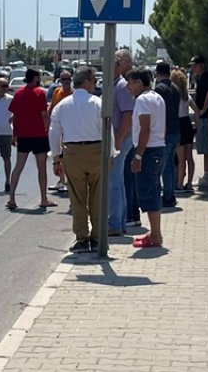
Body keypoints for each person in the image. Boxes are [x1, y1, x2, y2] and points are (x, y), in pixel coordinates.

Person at [49, 67, 105, 253]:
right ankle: (97, 238)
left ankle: (82, 238)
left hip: (72, 152)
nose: (95, 85)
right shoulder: (98, 103)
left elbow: (54, 134)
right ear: (87, 82)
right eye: (94, 81)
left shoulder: (62, 106)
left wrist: (56, 159)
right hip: (97, 151)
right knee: (98, 197)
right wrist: (111, 154)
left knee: (78, 198)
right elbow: (108, 130)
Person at [125, 69, 168, 247]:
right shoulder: (157, 97)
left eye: (130, 83)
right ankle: (155, 232)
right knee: (154, 190)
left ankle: (156, 236)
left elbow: (145, 129)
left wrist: (138, 155)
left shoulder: (142, 100)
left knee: (148, 192)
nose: (128, 87)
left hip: (148, 150)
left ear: (139, 82)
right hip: (159, 147)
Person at [6, 69, 54, 210]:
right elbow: (44, 114)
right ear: (35, 78)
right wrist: (48, 128)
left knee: (18, 167)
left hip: (23, 135)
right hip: (39, 135)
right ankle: (43, 199)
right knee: (42, 168)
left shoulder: (19, 93)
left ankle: (12, 198)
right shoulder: (39, 93)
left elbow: (14, 116)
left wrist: (14, 135)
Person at [107, 49, 136, 236]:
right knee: (118, 181)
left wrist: (116, 142)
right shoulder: (113, 85)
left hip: (121, 139)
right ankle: (120, 221)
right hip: (118, 139)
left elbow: (127, 115)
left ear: (118, 66)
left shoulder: (121, 86)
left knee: (113, 183)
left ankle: (115, 223)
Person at [153, 62, 182, 207]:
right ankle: (169, 195)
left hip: (164, 131)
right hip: (175, 130)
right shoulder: (175, 88)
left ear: (157, 73)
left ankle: (160, 195)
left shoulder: (159, 89)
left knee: (160, 166)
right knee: (169, 165)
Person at [190, 55, 208, 189]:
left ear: (201, 64)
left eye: (194, 65)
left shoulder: (207, 76)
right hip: (206, 115)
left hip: (207, 117)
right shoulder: (201, 78)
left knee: (207, 146)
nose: (193, 68)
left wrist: (203, 110)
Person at [171, 68, 197, 194]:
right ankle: (189, 183)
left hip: (178, 124)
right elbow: (197, 111)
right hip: (187, 124)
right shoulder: (187, 96)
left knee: (180, 158)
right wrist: (196, 125)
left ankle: (179, 184)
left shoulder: (174, 96)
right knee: (189, 157)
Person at [48, 70, 73, 192]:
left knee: (65, 157)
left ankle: (65, 181)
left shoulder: (73, 94)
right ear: (60, 80)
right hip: (57, 128)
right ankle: (61, 180)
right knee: (57, 155)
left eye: (68, 79)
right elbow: (52, 107)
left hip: (69, 130)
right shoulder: (57, 91)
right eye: (64, 79)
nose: (66, 82)